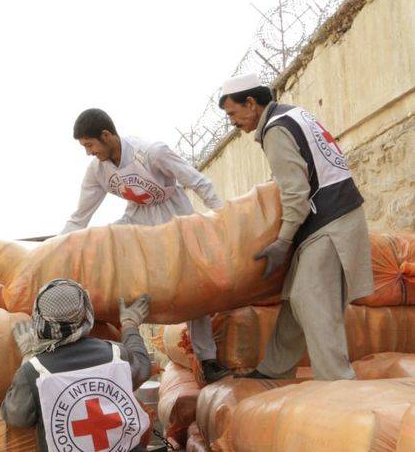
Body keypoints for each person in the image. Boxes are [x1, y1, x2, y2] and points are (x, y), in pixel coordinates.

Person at [218, 74, 373, 380]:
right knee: (295, 296)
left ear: (251, 103)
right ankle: (274, 369)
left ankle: (339, 382)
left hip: (330, 220)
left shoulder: (276, 130)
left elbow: (296, 193)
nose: (232, 123)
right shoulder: (293, 114)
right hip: (332, 216)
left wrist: (282, 241)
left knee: (311, 298)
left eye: (232, 114)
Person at [62, 108, 231, 383]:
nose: (88, 152)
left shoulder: (152, 152)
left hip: (174, 217)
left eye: (90, 145)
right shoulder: (97, 171)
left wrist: (225, 219)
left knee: (193, 288)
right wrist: (59, 248)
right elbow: (80, 216)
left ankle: (208, 360)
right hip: (138, 219)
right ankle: (122, 344)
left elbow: (196, 181)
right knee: (103, 241)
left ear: (106, 136)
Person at [1, 279, 153, 452]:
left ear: (39, 318)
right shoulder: (116, 354)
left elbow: (17, 417)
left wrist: (30, 356)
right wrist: (129, 325)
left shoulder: (33, 372)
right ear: (87, 313)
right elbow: (143, 366)